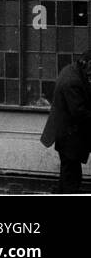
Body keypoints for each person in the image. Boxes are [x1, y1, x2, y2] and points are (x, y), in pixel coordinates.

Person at [41, 48, 91, 194]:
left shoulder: (72, 70)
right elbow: (79, 112)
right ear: (86, 63)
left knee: (68, 174)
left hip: (66, 134)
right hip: (70, 136)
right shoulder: (72, 81)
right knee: (72, 177)